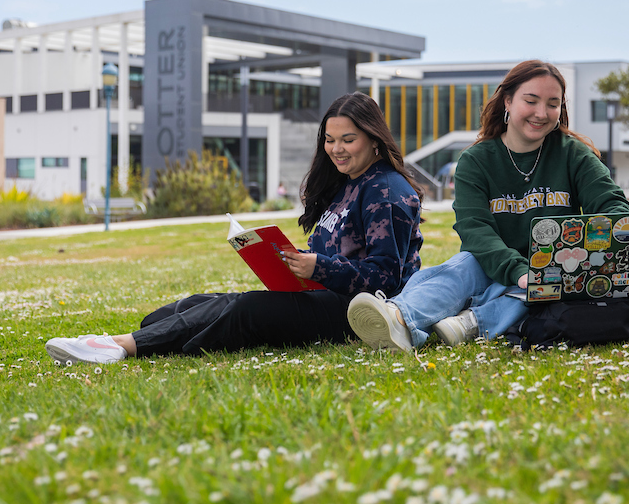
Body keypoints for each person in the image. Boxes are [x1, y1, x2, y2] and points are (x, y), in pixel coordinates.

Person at [44, 93, 423, 364]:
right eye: (329, 139)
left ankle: (119, 346)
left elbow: (385, 277)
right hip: (322, 294)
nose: (336, 149)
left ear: (374, 139)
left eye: (348, 140)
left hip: (356, 313)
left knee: (245, 309)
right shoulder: (345, 184)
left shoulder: (386, 191)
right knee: (193, 306)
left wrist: (317, 267)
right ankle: (146, 335)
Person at [347, 60, 629, 351]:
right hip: (491, 263)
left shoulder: (574, 154)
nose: (541, 113)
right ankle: (398, 318)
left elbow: (613, 205)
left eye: (553, 104)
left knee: (549, 288)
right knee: (465, 265)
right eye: (531, 101)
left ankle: (469, 323)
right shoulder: (476, 160)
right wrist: (519, 271)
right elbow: (475, 230)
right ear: (508, 101)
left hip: (556, 271)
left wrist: (607, 241)